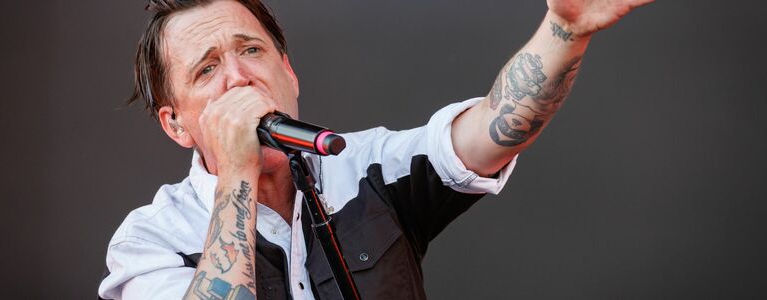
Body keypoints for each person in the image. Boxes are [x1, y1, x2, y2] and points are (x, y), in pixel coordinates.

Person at [98, 0, 653, 299]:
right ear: (176, 125)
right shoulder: (149, 242)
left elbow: (492, 130)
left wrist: (564, 28)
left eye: (251, 50)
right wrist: (238, 172)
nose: (240, 78)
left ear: (289, 72)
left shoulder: (363, 167)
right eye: (208, 69)